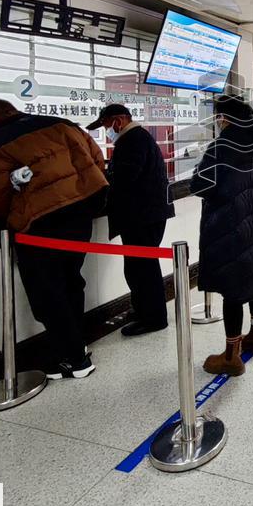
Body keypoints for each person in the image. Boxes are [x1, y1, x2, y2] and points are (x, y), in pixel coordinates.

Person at [0, 99, 107, 380]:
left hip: (40, 225)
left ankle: (73, 359)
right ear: (14, 110)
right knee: (71, 281)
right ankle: (77, 345)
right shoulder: (64, 126)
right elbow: (97, 161)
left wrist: (14, 189)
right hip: (79, 216)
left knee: (48, 292)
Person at [191, 95, 253, 376]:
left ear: (224, 119)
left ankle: (231, 356)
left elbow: (200, 185)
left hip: (232, 228)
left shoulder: (222, 148)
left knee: (233, 291)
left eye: (218, 117)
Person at [87, 104, 174, 337]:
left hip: (142, 215)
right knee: (138, 267)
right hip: (147, 213)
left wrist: (99, 180)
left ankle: (154, 319)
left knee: (142, 268)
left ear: (118, 121)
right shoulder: (136, 137)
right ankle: (143, 310)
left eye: (106, 125)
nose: (106, 131)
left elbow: (125, 178)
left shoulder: (132, 140)